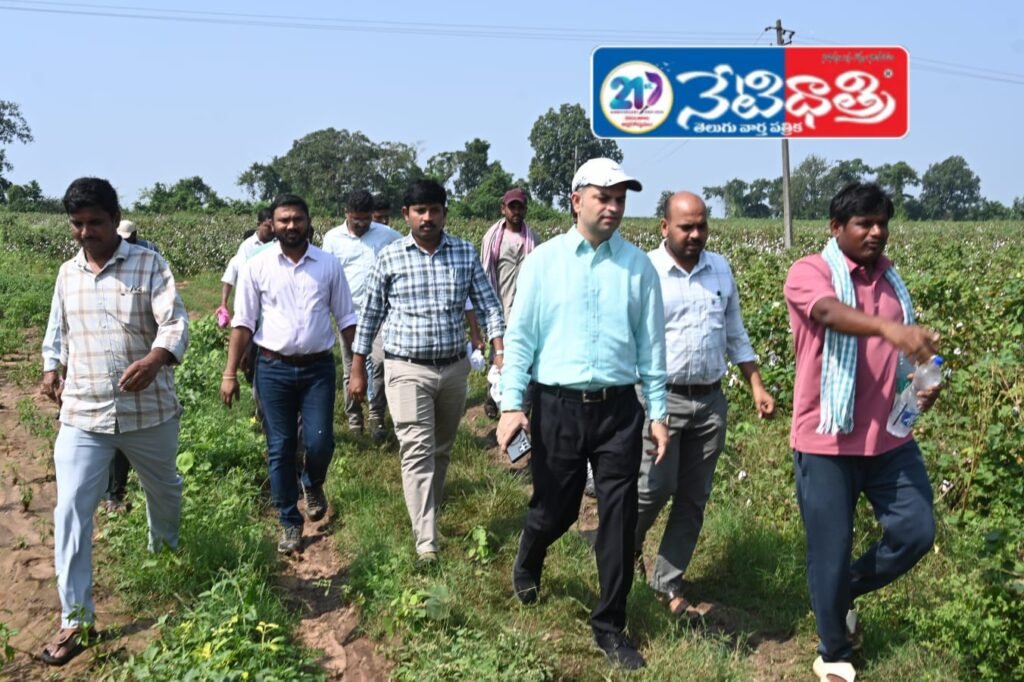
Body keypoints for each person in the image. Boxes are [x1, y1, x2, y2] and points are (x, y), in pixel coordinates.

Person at [497, 158, 669, 671]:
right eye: (604, 197)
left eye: (620, 198)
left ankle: (610, 625)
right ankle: (531, 550)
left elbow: (651, 349)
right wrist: (511, 406)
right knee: (559, 508)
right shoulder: (544, 262)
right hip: (557, 405)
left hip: (618, 409)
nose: (614, 207)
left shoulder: (638, 268)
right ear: (577, 201)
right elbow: (521, 339)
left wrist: (657, 413)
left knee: (618, 517)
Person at [783, 182, 941, 682]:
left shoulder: (891, 280)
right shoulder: (811, 273)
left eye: (882, 224)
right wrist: (888, 329)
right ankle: (834, 650)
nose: (876, 232)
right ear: (836, 228)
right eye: (863, 224)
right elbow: (828, 312)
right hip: (827, 439)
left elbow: (897, 352)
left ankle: (839, 591)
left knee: (917, 531)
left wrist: (920, 380)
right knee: (828, 549)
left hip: (889, 437)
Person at [39, 177, 189, 666]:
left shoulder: (150, 263)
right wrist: (51, 367)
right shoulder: (67, 273)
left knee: (164, 491)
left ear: (114, 217)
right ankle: (75, 618)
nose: (86, 233)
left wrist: (154, 360)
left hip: (148, 412)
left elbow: (175, 323)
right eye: (77, 225)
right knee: (71, 512)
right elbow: (56, 331)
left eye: (95, 223)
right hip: (84, 412)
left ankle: (165, 564)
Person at [349, 179, 505, 567]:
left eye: (435, 210)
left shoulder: (464, 254)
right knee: (417, 450)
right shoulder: (391, 257)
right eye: (420, 211)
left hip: (453, 369)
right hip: (405, 368)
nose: (428, 217)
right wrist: (357, 367)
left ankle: (426, 511)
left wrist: (499, 350)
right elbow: (369, 316)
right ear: (406, 215)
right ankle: (427, 543)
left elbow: (489, 306)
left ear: (444, 213)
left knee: (440, 450)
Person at [635, 191, 775, 619]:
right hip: (660, 398)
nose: (695, 234)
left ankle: (666, 579)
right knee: (652, 488)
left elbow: (735, 332)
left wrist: (756, 383)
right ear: (664, 228)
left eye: (701, 226)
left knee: (693, 498)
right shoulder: (646, 271)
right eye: (685, 227)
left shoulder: (719, 269)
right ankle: (620, 548)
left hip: (710, 400)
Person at [220, 194, 358, 554]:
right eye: (284, 220)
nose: (291, 226)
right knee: (279, 447)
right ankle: (289, 521)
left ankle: (312, 481)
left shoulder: (328, 265)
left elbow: (346, 319)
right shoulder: (258, 266)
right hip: (272, 368)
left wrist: (358, 366)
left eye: (297, 219)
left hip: (317, 369)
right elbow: (243, 323)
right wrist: (230, 372)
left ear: (308, 221)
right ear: (274, 224)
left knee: (320, 441)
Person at [322, 190, 401, 440]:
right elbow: (327, 277)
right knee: (351, 369)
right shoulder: (332, 239)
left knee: (378, 363)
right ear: (346, 213)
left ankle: (377, 415)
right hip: (348, 315)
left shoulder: (387, 236)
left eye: (366, 219)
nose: (361, 225)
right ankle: (354, 418)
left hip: (381, 315)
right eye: (356, 219)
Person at [480, 187, 539, 418]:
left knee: (523, 356)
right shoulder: (493, 238)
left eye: (520, 206)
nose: (516, 211)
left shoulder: (533, 239)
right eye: (512, 206)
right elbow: (485, 273)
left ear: (525, 209)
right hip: (499, 304)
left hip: (523, 308)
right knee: (497, 356)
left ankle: (517, 402)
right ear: (503, 209)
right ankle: (492, 396)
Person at [218, 208, 275, 317]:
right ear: (259, 224)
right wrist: (223, 303)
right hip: (248, 306)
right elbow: (236, 276)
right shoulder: (247, 247)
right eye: (268, 226)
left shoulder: (278, 244)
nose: (272, 230)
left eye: (274, 226)